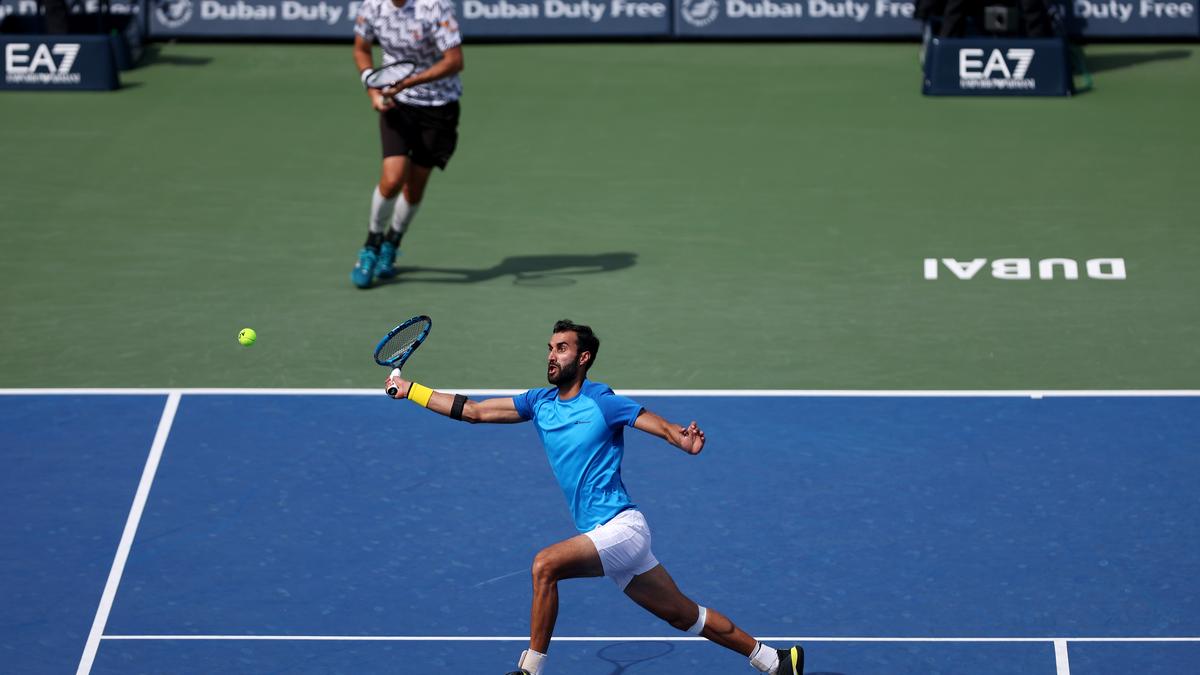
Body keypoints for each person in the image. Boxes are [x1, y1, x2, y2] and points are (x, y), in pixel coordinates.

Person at [385, 320, 805, 675]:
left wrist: (683, 439)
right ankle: (775, 660)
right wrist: (411, 390)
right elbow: (474, 410)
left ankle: (530, 668)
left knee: (544, 565)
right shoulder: (538, 402)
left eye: (562, 348)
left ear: (583, 358)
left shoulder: (602, 402)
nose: (552, 355)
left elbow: (658, 425)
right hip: (606, 538)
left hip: (623, 529)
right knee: (684, 615)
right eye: (550, 348)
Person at [350, 0, 464, 289]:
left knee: (413, 188)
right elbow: (361, 49)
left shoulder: (435, 6)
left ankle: (393, 241)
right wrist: (371, 86)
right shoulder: (372, 6)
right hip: (398, 105)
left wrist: (409, 81)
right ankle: (372, 243)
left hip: (439, 108)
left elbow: (454, 61)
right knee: (391, 179)